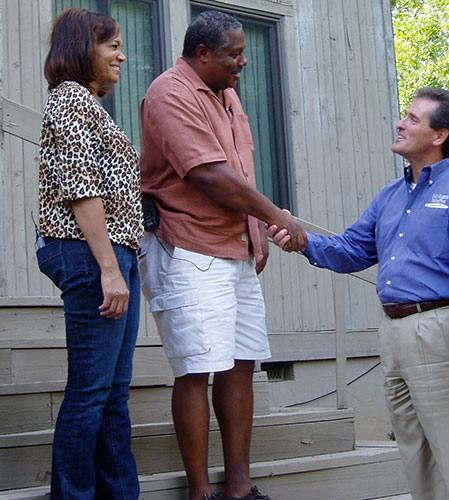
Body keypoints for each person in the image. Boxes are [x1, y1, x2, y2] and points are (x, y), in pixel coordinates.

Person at [268, 87, 449, 500]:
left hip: (439, 332)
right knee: (417, 461)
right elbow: (352, 250)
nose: (400, 122)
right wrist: (302, 241)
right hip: (393, 334)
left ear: (439, 135)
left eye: (413, 119)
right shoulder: (391, 196)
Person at [138, 10, 305, 500]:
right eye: (233, 53)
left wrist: (257, 228)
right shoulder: (169, 92)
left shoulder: (227, 96)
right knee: (195, 368)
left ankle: (238, 488)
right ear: (203, 53)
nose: (244, 62)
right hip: (189, 250)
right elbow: (208, 174)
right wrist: (278, 214)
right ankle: (199, 492)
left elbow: (241, 171)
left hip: (235, 251)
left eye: (243, 52)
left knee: (241, 363)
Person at [37, 7, 142, 499]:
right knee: (90, 393)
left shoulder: (89, 105)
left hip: (114, 254)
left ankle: (120, 494)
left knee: (112, 394)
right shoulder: (69, 101)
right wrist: (109, 271)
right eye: (112, 45)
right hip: (90, 255)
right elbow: (83, 190)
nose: (122, 54)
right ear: (83, 49)